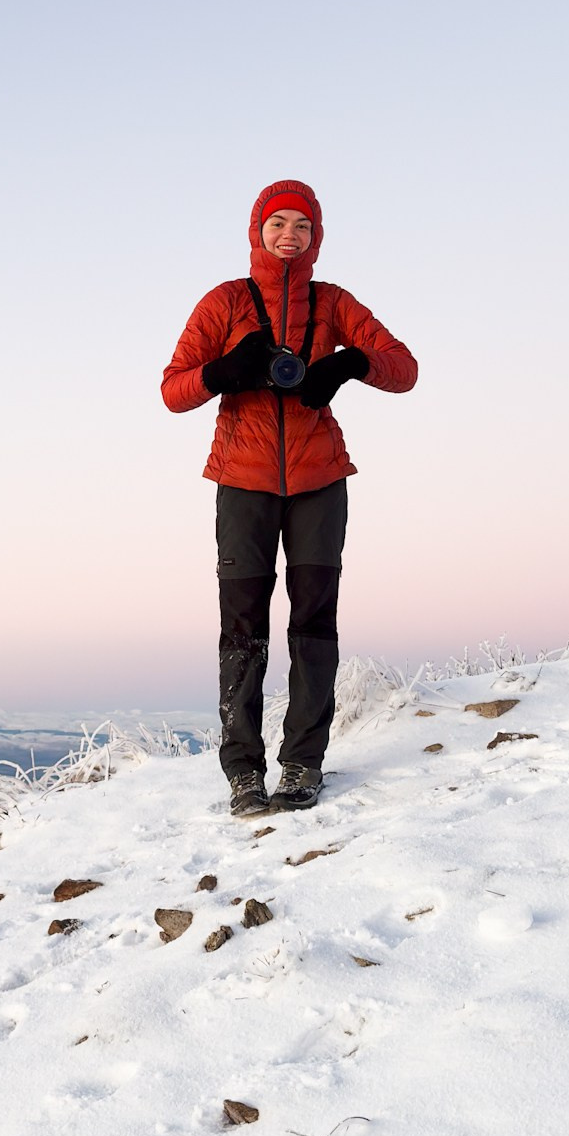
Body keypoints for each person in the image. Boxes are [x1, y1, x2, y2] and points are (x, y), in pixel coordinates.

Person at [162, 178, 418, 817]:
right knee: (242, 629)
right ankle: (244, 774)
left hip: (319, 482)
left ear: (316, 236)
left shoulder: (332, 302)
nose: (289, 235)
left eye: (302, 226)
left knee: (313, 625)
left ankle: (302, 765)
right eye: (277, 223)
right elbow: (173, 390)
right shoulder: (224, 301)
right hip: (242, 483)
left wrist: (349, 363)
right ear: (257, 231)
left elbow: (404, 368)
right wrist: (225, 372)